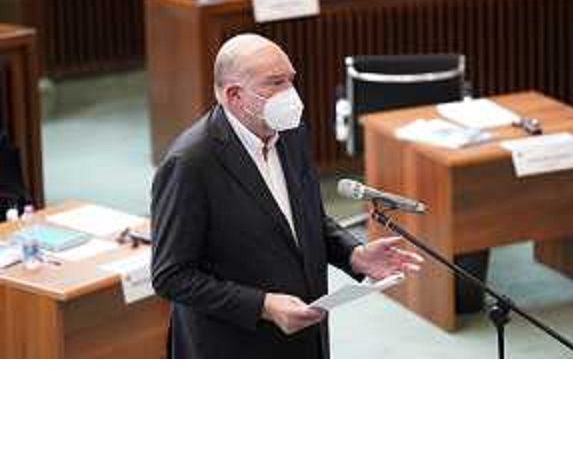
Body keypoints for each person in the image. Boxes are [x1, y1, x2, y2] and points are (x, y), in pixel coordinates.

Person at [151, 33, 421, 358]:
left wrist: (353, 254)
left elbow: (307, 217)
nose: (290, 94)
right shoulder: (190, 163)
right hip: (235, 345)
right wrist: (263, 305)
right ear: (235, 95)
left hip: (306, 331)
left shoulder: (291, 132)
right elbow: (171, 276)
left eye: (290, 80)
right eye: (275, 83)